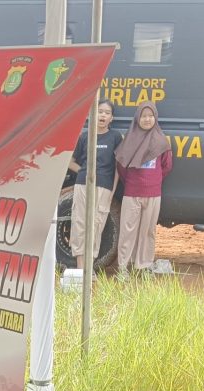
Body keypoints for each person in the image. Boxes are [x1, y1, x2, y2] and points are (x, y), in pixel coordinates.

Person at [114, 101, 172, 275]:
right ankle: (123, 266)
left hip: (153, 194)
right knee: (127, 230)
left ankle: (144, 265)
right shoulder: (129, 140)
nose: (147, 119)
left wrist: (153, 181)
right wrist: (133, 182)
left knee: (148, 231)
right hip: (131, 192)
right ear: (137, 119)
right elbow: (121, 167)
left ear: (155, 117)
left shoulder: (162, 141)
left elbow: (166, 166)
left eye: (150, 116)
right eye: (143, 116)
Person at [68, 100, 123, 271]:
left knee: (97, 225)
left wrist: (113, 188)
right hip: (83, 185)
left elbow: (117, 166)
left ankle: (89, 268)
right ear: (93, 114)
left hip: (104, 186)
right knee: (79, 223)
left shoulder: (115, 137)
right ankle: (80, 268)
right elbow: (70, 162)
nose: (103, 115)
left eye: (107, 112)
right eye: (100, 111)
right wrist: (85, 170)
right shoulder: (85, 136)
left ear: (111, 118)